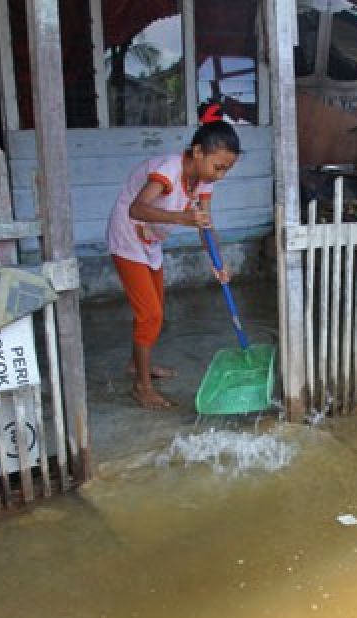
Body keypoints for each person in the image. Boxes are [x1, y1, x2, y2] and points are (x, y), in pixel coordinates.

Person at [106, 106, 240, 409]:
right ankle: (141, 386)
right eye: (218, 167)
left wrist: (218, 263)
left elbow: (205, 223)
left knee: (155, 309)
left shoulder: (203, 182)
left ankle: (136, 364)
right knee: (150, 314)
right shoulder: (169, 169)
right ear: (197, 152)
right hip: (128, 235)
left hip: (150, 238)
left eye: (226, 170)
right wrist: (182, 219)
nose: (220, 175)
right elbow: (136, 209)